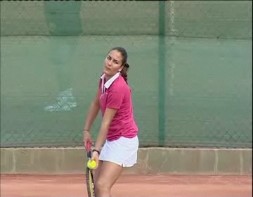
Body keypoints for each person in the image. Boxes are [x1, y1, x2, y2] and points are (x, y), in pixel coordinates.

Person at [83, 47, 139, 197]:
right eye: (109, 58)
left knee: (102, 185)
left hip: (124, 139)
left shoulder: (118, 88)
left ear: (120, 68)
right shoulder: (103, 78)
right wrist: (86, 130)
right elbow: (96, 103)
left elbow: (106, 122)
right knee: (96, 182)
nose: (109, 63)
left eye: (115, 62)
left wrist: (96, 150)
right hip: (112, 138)